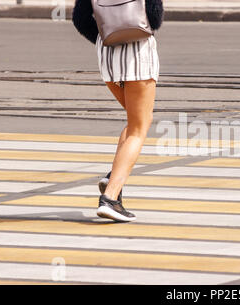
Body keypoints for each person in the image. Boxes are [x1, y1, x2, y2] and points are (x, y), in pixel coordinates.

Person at [72, 0, 164, 222]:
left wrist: (108, 34)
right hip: (138, 49)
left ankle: (113, 178)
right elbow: (154, 16)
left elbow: (80, 19)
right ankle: (110, 199)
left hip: (107, 51)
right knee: (139, 127)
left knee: (134, 121)